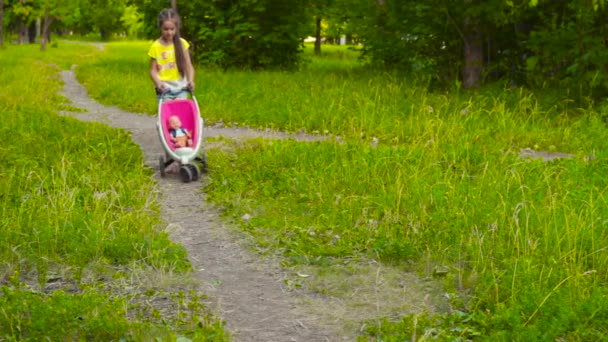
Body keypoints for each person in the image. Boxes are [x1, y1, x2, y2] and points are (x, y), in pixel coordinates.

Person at [148, 8, 195, 101]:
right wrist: (158, 83)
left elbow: (189, 66)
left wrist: (191, 80)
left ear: (176, 28)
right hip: (164, 89)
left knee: (180, 114)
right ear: (160, 28)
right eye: (166, 29)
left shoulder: (182, 44)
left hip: (181, 87)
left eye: (172, 29)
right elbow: (152, 71)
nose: (169, 32)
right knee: (168, 115)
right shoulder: (155, 46)